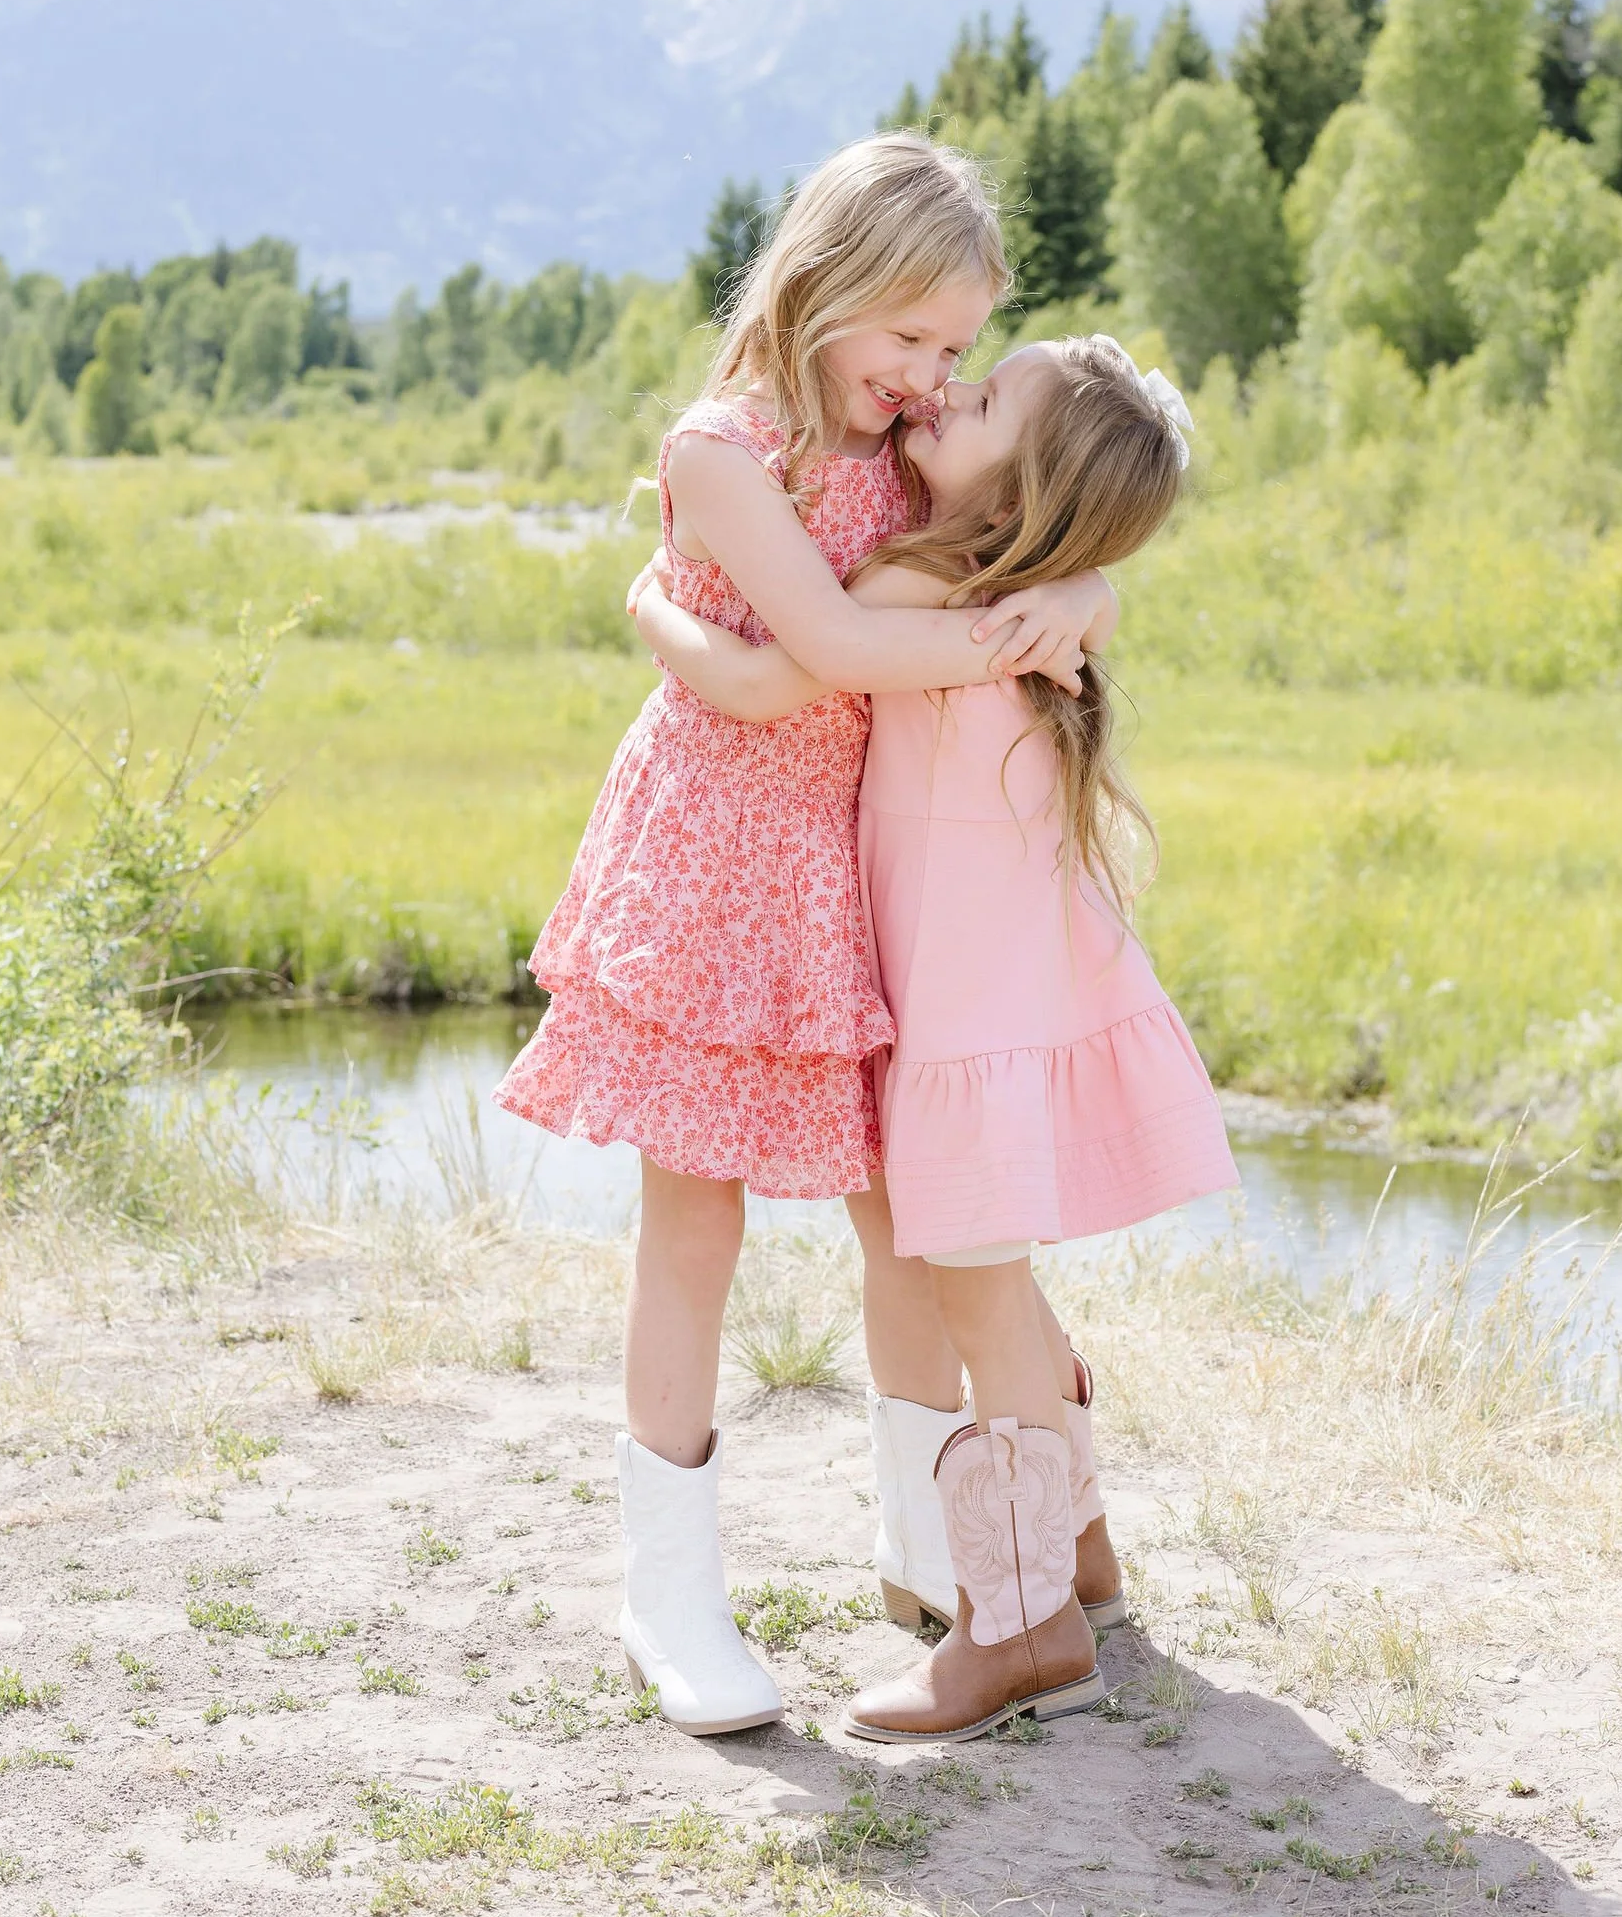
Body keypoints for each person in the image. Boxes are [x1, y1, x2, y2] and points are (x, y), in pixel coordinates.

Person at [496, 134, 1114, 1736]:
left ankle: (942, 1549)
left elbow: (1053, 516)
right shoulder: (726, 453)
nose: (927, 379)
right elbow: (805, 658)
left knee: (901, 1219)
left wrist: (1088, 600)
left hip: (853, 871)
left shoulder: (904, 440)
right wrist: (982, 639)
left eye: (954, 351)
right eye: (907, 339)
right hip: (716, 862)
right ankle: (672, 1595)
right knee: (692, 1228)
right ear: (821, 285)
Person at [631, 333, 1238, 1741]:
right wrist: (1086, 585)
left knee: (973, 1284)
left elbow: (773, 674)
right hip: (1006, 988)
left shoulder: (912, 586)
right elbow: (1062, 576)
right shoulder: (1016, 599)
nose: (945, 390)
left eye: (978, 397)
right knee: (991, 1282)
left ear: (1021, 491)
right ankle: (1074, 1561)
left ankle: (1016, 1630)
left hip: (963, 1006)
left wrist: (653, 607)